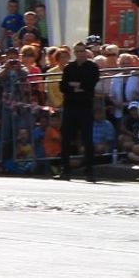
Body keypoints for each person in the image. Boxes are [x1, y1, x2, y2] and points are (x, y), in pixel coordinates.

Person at [57, 42, 99, 182]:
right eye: (78, 51)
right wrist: (77, 86)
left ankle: (90, 172)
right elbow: (63, 86)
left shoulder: (92, 67)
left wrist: (75, 85)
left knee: (87, 140)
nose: (80, 54)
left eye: (82, 51)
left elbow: (89, 84)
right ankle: (65, 170)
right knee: (66, 139)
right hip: (70, 106)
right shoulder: (69, 68)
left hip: (85, 107)